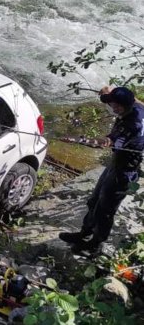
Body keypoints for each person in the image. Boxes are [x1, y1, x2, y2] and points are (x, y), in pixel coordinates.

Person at [59, 86, 144, 253]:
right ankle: (84, 233)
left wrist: (77, 139)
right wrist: (107, 92)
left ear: (122, 106)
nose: (112, 108)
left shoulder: (130, 126)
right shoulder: (137, 106)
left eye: (114, 105)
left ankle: (95, 245)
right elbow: (135, 100)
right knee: (94, 201)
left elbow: (104, 143)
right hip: (116, 163)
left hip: (125, 170)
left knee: (105, 211)